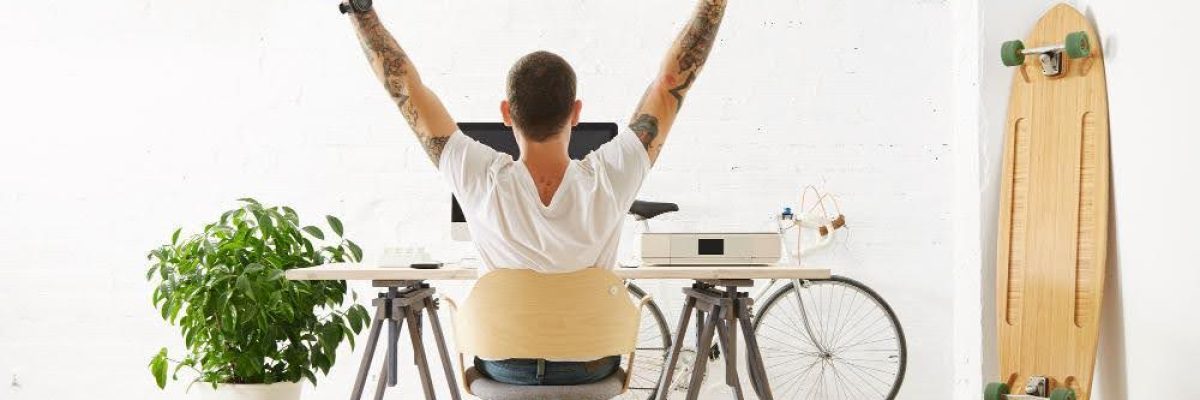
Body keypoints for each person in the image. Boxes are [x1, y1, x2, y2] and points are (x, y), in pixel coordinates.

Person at [341, 0, 728, 386]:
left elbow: (406, 89)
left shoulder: (476, 174)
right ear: (576, 113)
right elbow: (670, 84)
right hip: (591, 362)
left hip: (506, 365)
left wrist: (363, 13)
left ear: (507, 113)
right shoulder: (612, 174)